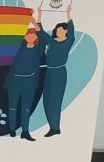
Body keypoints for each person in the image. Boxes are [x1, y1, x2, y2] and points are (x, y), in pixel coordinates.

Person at [38, 3, 75, 137]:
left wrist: (68, 14)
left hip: (58, 73)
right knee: (47, 100)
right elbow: (41, 33)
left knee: (55, 100)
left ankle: (55, 127)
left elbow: (71, 30)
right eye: (57, 29)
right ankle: (53, 127)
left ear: (65, 31)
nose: (58, 31)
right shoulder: (52, 41)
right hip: (49, 73)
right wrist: (39, 15)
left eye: (60, 29)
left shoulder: (68, 41)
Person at [5, 26, 46, 141]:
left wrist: (35, 23)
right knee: (13, 107)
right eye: (28, 34)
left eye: (33, 34)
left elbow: (43, 38)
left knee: (26, 108)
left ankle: (25, 131)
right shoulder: (18, 48)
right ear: (24, 36)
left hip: (29, 83)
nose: (30, 36)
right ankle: (12, 129)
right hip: (15, 82)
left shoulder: (38, 50)